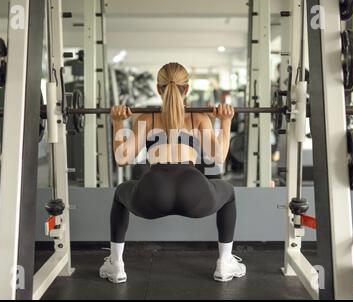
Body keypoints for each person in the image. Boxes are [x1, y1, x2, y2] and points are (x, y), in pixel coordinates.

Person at [100, 63, 246, 283]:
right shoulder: (197, 118)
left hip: (153, 190)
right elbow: (218, 158)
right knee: (229, 193)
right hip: (193, 189)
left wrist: (118, 123)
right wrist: (225, 122)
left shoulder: (146, 118)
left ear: (158, 89)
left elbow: (122, 159)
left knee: (122, 192)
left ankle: (116, 264)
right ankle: (225, 263)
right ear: (186, 89)